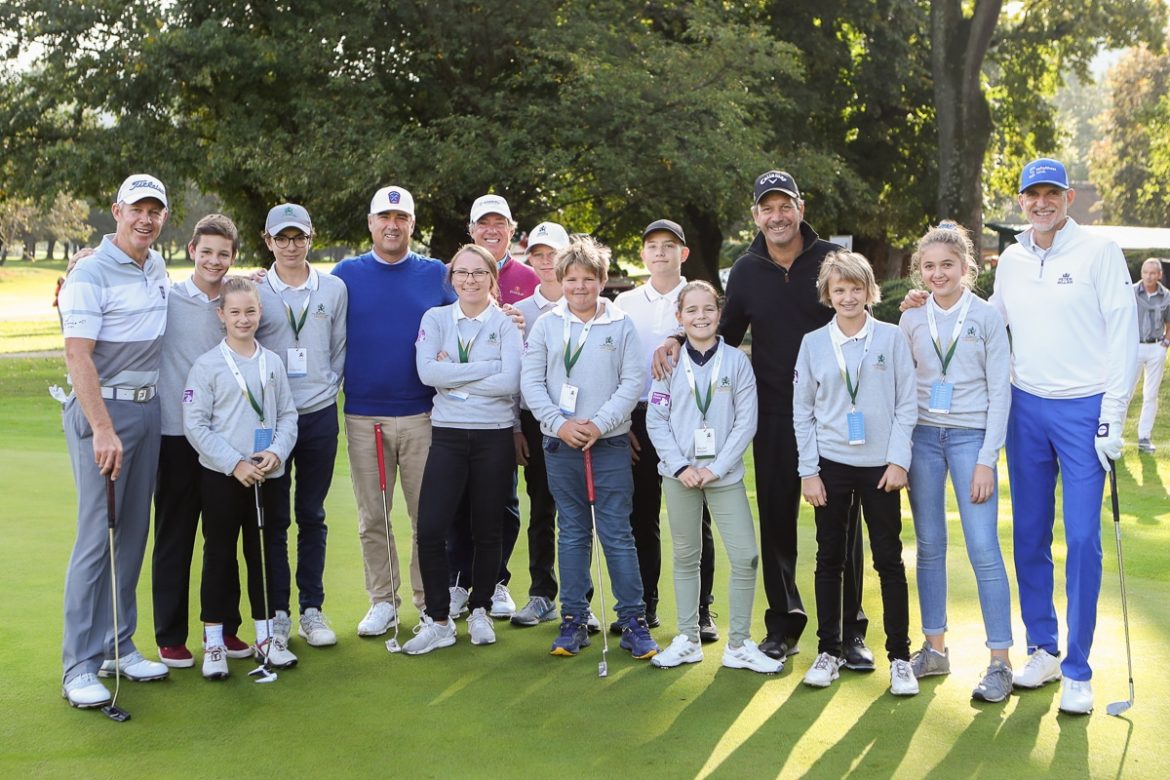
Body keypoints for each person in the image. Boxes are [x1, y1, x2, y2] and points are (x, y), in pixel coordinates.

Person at [902, 157, 1138, 714]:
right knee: (1029, 535)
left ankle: (1078, 670)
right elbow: (986, 319)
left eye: (1052, 193)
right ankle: (1043, 649)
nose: (1041, 203)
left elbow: (1124, 335)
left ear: (1068, 197)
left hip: (1085, 408)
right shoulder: (1011, 258)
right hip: (1025, 407)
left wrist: (1112, 415)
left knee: (1082, 537)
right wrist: (930, 304)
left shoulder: (1100, 253)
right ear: (1022, 200)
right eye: (1033, 195)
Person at [653, 170, 871, 666]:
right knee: (776, 523)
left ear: (800, 208)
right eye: (767, 208)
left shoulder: (830, 260)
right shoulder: (746, 270)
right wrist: (675, 338)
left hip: (832, 415)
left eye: (785, 205)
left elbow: (857, 314)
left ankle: (848, 632)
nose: (777, 216)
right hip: (773, 414)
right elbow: (721, 331)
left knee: (841, 524)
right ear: (755, 215)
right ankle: (783, 627)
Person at [58, 174, 172, 709]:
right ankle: (78, 665)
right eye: (137, 209)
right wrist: (102, 427)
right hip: (104, 410)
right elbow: (77, 354)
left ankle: (116, 645)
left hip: (148, 409)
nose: (146, 219)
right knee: (95, 538)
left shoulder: (157, 267)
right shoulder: (90, 272)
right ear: (117, 210)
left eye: (155, 211)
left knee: (131, 535)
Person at [520, 236, 658, 659]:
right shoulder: (547, 325)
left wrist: (599, 424)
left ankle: (633, 621)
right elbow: (532, 383)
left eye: (588, 279)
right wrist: (560, 424)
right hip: (559, 443)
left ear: (601, 280)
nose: (580, 287)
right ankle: (574, 619)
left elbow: (632, 382)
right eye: (572, 279)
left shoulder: (620, 323)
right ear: (561, 280)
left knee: (617, 533)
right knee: (573, 532)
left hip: (609, 442)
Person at [898, 222, 1015, 703]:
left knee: (983, 547)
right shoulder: (911, 318)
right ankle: (935, 649)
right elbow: (902, 388)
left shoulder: (986, 317)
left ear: (966, 267)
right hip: (923, 439)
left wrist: (988, 458)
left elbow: (1001, 391)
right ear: (919, 271)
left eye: (947, 264)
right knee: (929, 546)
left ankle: (1000, 661)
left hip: (972, 440)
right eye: (929, 266)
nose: (938, 273)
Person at [332, 186, 455, 637]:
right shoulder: (346, 274)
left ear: (412, 225)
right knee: (372, 518)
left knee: (428, 518)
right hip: (365, 416)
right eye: (384, 217)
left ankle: (428, 601)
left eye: (401, 218)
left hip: (423, 414)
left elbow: (466, 320)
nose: (392, 224)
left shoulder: (435, 274)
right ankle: (383, 601)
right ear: (370, 223)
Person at [793, 251, 918, 696]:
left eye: (856, 288)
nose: (848, 297)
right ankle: (829, 651)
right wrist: (809, 471)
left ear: (869, 291)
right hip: (831, 466)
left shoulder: (891, 338)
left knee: (888, 560)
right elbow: (802, 412)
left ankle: (900, 658)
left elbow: (907, 403)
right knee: (830, 559)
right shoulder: (813, 343)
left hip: (882, 468)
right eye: (839, 289)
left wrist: (899, 461)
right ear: (828, 295)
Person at [645, 281, 780, 673]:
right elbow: (656, 419)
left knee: (746, 556)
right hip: (680, 476)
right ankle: (688, 639)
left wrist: (714, 468)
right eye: (691, 310)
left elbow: (745, 422)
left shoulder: (737, 362)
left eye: (708, 309)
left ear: (719, 314)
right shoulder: (669, 363)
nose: (700, 316)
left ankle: (738, 644)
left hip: (724, 475)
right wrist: (681, 467)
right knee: (687, 556)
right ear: (679, 317)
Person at [403, 245, 523, 654]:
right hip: (449, 434)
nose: (470, 280)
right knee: (431, 528)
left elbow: (510, 382)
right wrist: (487, 368)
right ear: (452, 278)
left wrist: (452, 374)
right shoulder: (436, 318)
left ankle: (480, 609)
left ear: (492, 278)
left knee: (488, 529)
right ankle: (438, 620)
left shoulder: (504, 324)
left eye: (478, 273)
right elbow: (427, 372)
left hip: (493, 435)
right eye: (462, 273)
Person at [183, 277, 299, 678]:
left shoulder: (272, 362)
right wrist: (235, 463)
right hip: (223, 476)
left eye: (250, 311)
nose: (243, 319)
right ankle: (215, 642)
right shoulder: (208, 365)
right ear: (222, 315)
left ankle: (267, 638)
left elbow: (288, 416)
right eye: (235, 312)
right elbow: (195, 424)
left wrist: (275, 452)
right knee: (219, 555)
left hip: (267, 474)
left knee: (264, 554)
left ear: (260, 312)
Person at [152, 214, 251, 669]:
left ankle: (224, 627)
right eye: (206, 251)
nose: (214, 260)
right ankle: (170, 636)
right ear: (192, 250)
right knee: (175, 537)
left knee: (222, 537)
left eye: (223, 254)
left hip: (224, 443)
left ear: (233, 257)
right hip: (175, 436)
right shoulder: (167, 296)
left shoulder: (236, 301)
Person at [614, 219, 718, 640]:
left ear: (683, 253)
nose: (660, 252)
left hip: (689, 419)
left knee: (695, 520)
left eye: (669, 245)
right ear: (642, 254)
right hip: (639, 419)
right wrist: (622, 422)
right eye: (653, 246)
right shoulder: (624, 302)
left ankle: (702, 610)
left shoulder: (699, 296)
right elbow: (616, 365)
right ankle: (644, 606)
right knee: (641, 517)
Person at [256, 203, 348, 649]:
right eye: (282, 238)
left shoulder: (333, 288)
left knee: (312, 515)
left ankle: (312, 609)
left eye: (298, 237)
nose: (290, 246)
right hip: (271, 419)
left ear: (311, 238)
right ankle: (278, 614)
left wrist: (326, 389)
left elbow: (339, 348)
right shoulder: (255, 288)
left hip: (318, 416)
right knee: (275, 520)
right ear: (268, 241)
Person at [446, 194, 538, 621]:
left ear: (512, 229)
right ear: (471, 230)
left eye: (499, 222)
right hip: (458, 410)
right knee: (459, 499)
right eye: (483, 223)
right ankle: (459, 581)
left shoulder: (530, 277)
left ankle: (496, 581)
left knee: (502, 501)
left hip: (508, 412)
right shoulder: (456, 272)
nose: (491, 230)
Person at [510, 221, 572, 627]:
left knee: (578, 514)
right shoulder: (519, 312)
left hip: (581, 421)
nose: (546, 262)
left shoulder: (586, 302)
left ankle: (580, 599)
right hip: (536, 422)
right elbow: (516, 374)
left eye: (553, 254)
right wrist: (516, 426)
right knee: (541, 509)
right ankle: (541, 594)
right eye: (538, 255)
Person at [1132, 258, 1170, 453]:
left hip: (1156, 347)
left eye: (1152, 273)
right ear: (1141, 273)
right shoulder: (1130, 292)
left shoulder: (1167, 296)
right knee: (1125, 391)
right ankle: (1115, 435)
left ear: (1159, 275)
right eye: (1145, 272)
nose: (1148, 276)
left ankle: (1144, 437)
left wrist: (1165, 343)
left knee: (1151, 394)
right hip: (1133, 347)